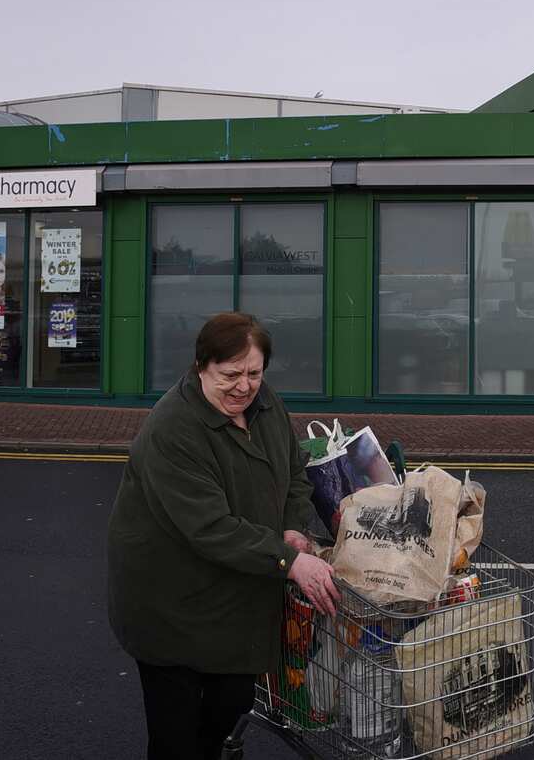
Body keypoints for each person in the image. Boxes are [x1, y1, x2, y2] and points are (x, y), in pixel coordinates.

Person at [107, 312, 339, 760]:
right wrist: (291, 561)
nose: (244, 386)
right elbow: (209, 527)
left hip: (237, 594)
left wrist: (291, 525)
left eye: (254, 373)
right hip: (171, 604)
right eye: (229, 375)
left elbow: (293, 472)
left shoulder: (265, 404)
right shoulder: (172, 429)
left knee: (228, 710)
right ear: (200, 367)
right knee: (176, 735)